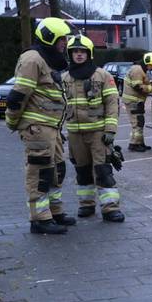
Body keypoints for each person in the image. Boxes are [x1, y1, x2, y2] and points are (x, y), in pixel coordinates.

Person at [6, 17, 76, 234]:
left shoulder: (47, 59)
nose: (65, 43)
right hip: (37, 127)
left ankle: (54, 212)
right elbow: (19, 95)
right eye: (62, 39)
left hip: (51, 128)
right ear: (49, 37)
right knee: (39, 173)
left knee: (56, 171)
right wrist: (12, 121)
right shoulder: (32, 59)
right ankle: (39, 219)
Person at [63, 35, 124, 222]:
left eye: (82, 51)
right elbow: (59, 105)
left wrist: (110, 130)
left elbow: (112, 103)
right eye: (75, 52)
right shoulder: (65, 78)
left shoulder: (102, 76)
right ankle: (86, 205)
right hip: (75, 133)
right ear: (70, 54)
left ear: (89, 54)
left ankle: (110, 208)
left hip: (98, 133)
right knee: (82, 171)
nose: (79, 55)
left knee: (103, 171)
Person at [123, 52, 152, 151]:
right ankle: (134, 145)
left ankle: (140, 143)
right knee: (137, 123)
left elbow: (142, 82)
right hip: (133, 101)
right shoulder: (137, 70)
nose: (151, 69)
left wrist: (151, 84)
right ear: (148, 63)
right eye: (151, 66)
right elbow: (138, 86)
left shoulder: (140, 69)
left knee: (139, 122)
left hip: (136, 101)